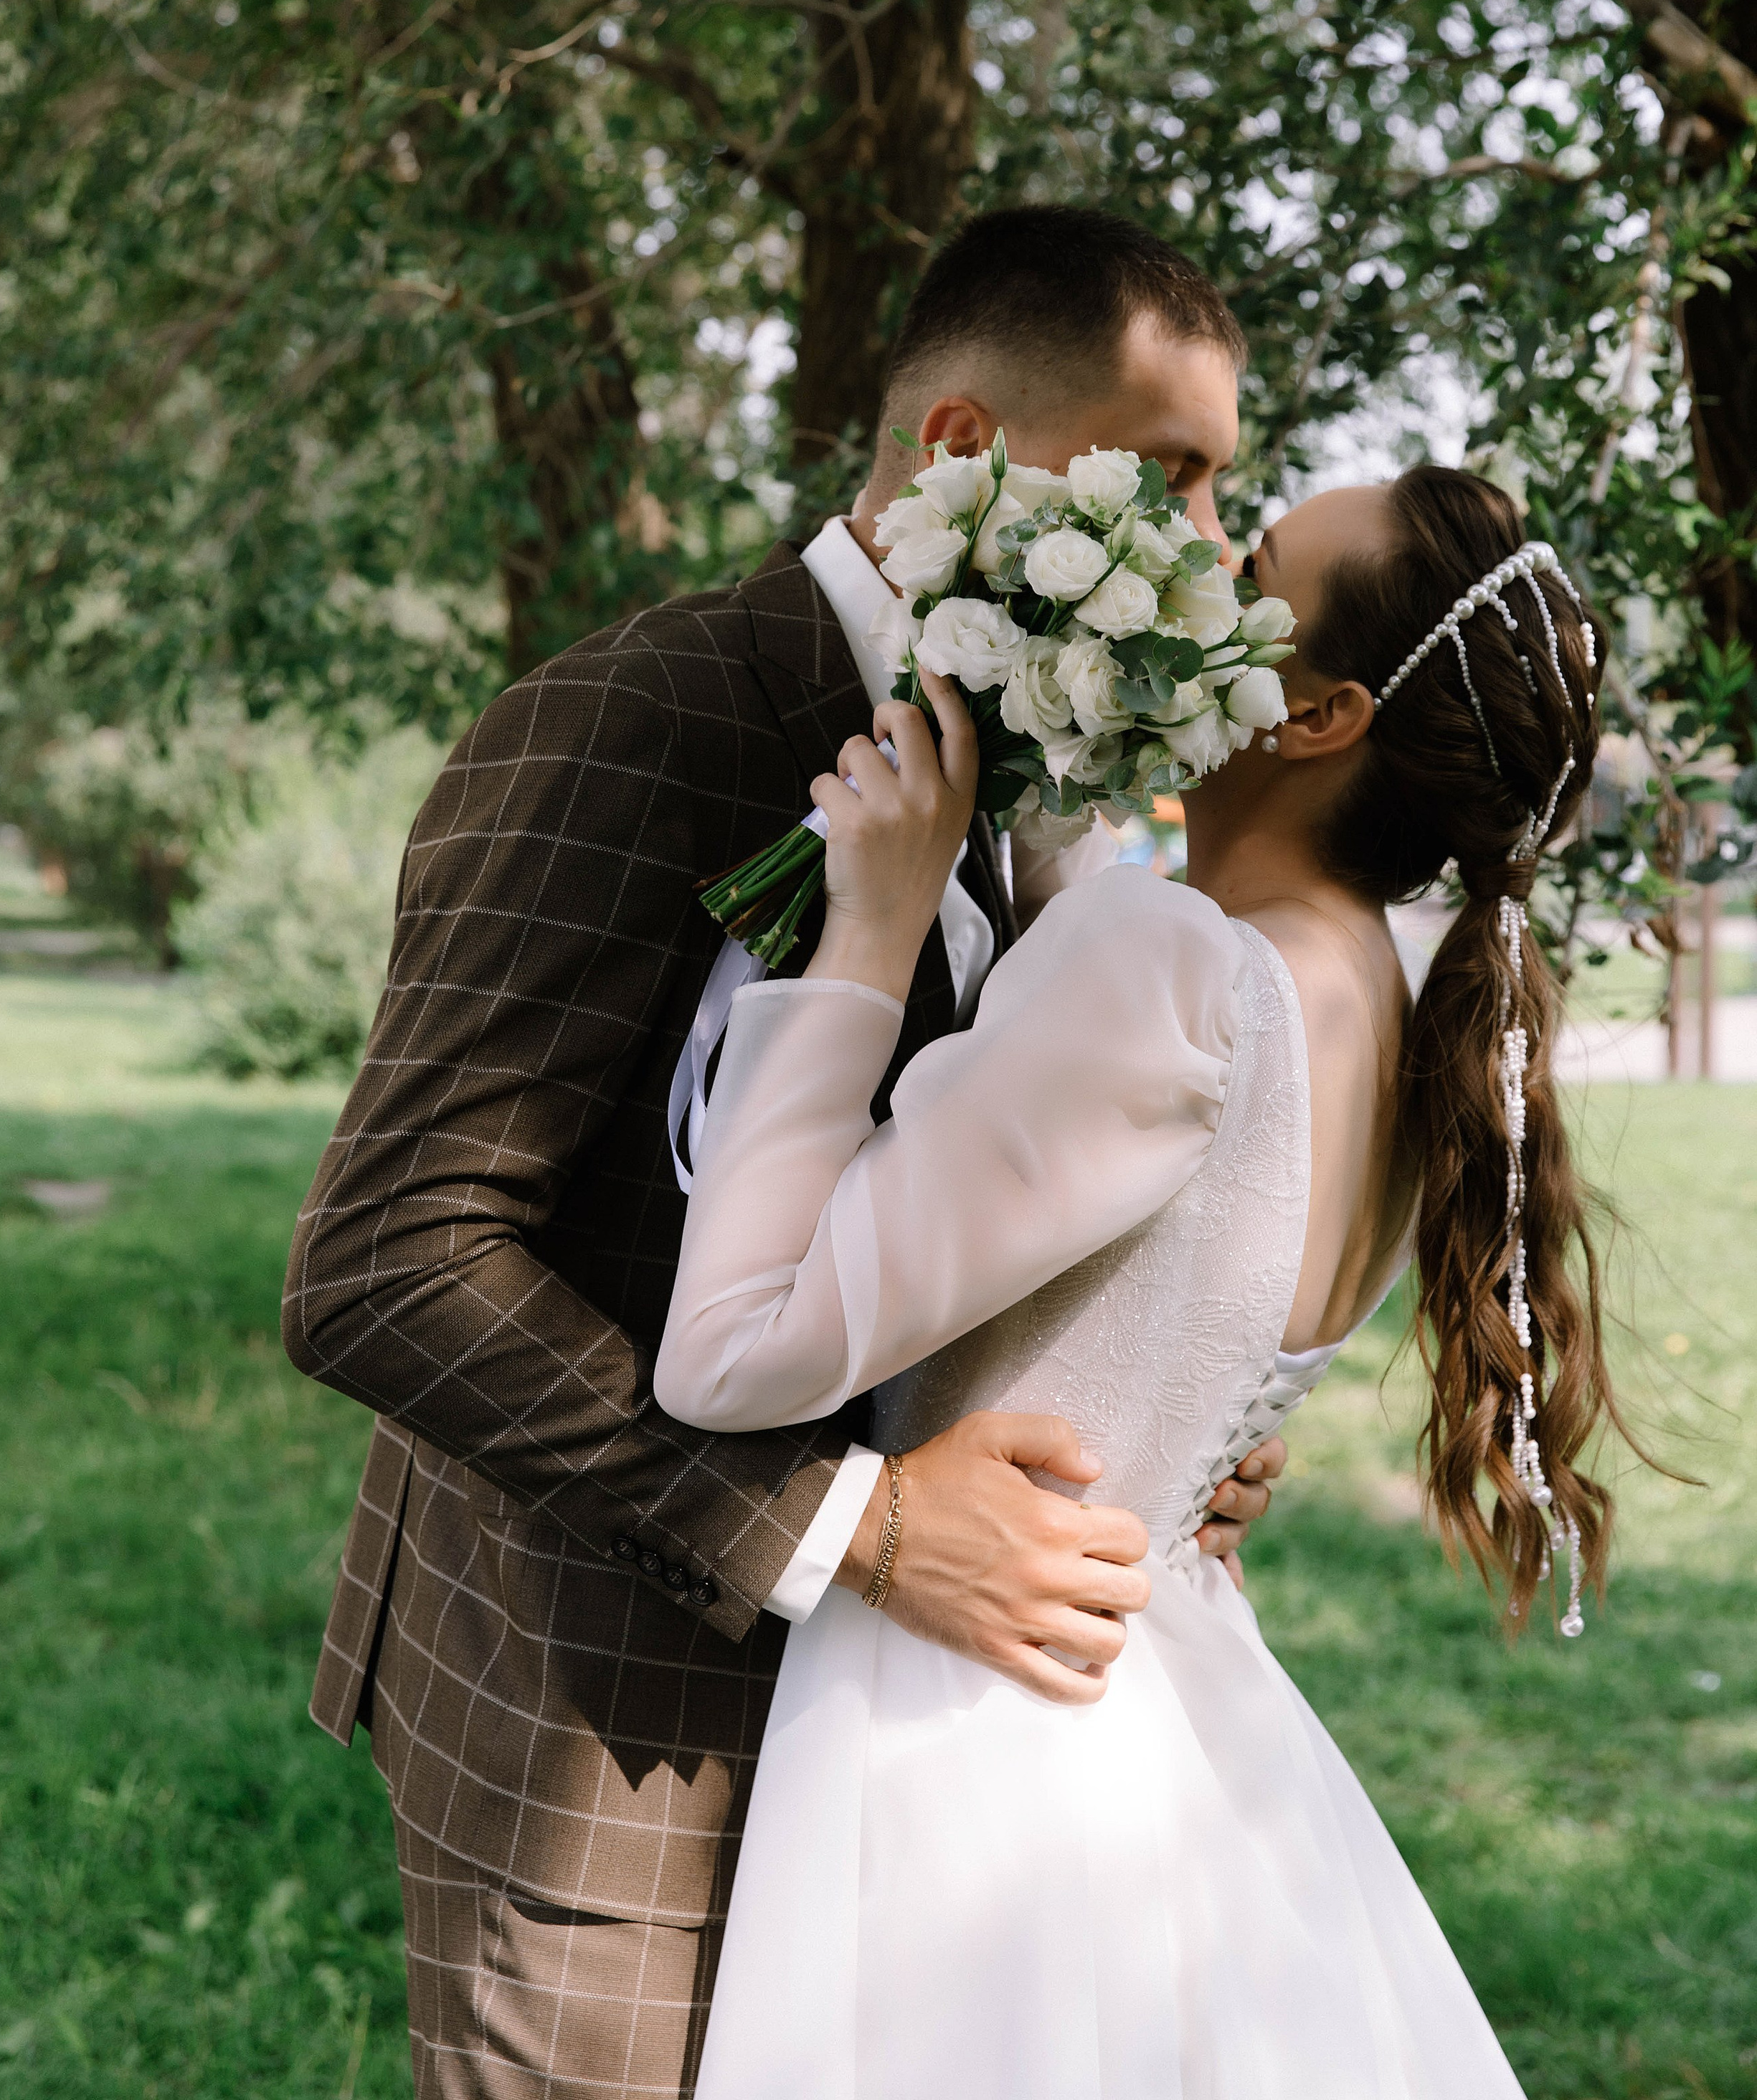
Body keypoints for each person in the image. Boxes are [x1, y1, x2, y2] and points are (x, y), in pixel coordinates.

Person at [281, 206, 1285, 2100]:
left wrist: (1169, 1417)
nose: (1218, 553)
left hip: (850, 1764)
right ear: (974, 452)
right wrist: (864, 1527)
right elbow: (388, 1264)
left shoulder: (985, 760)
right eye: (1177, 480)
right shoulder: (632, 725)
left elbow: (908, 1207)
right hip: (601, 1753)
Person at [654, 465, 1632, 2098]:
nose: (1192, 559)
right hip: (1165, 1696)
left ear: (1316, 716)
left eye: (1245, 561)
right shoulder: (1395, 1007)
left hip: (969, 1724)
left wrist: (874, 925)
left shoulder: (1172, 965)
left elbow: (731, 1354)